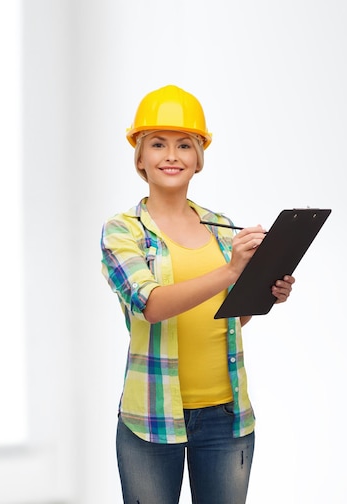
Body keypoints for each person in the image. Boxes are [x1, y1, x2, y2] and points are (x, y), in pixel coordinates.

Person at [100, 84, 295, 504]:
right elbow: (150, 305)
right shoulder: (123, 231)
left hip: (226, 417)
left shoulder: (220, 226)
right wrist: (230, 271)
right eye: (158, 144)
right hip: (151, 419)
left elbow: (230, 317)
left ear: (198, 158)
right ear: (140, 157)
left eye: (184, 145)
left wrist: (264, 293)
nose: (171, 155)